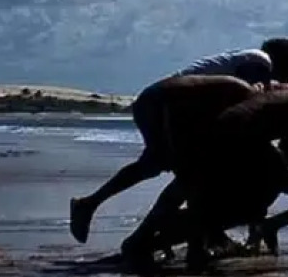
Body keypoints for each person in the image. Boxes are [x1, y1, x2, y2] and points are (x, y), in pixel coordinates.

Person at [135, 80, 288, 269]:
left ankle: (172, 242)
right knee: (240, 209)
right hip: (237, 138)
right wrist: (283, 170)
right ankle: (151, 242)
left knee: (217, 202)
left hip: (233, 135)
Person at [69, 73, 260, 245]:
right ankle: (150, 236)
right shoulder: (244, 91)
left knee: (157, 166)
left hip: (159, 101)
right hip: (165, 104)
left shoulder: (235, 88)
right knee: (186, 174)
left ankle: (93, 206)